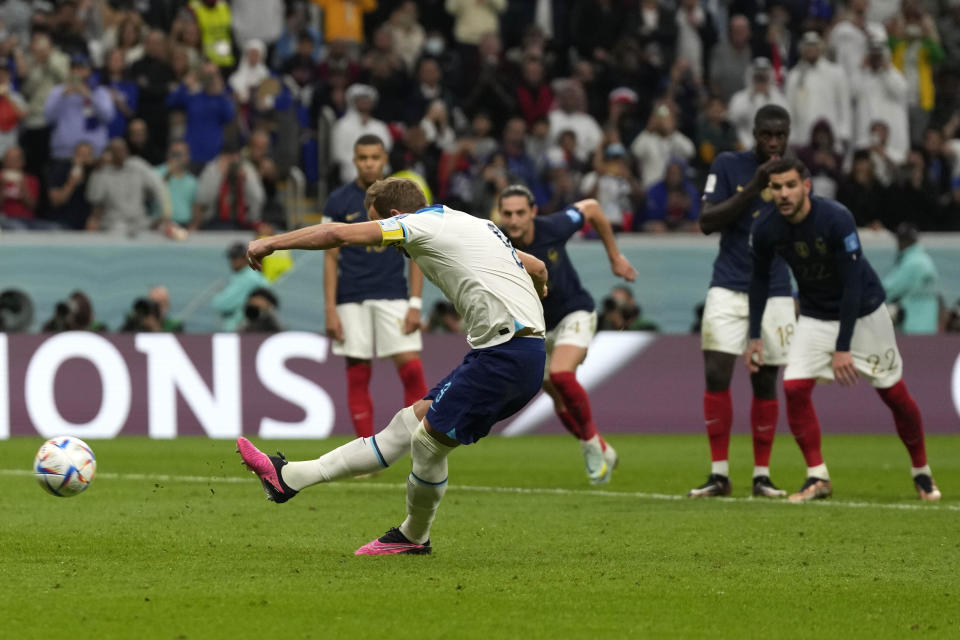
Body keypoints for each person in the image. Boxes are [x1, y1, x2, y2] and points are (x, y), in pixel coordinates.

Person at [237, 176, 548, 556]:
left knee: (428, 443)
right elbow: (536, 266)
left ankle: (413, 537)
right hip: (506, 351)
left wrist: (271, 242)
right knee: (407, 425)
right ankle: (289, 478)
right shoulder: (474, 222)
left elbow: (337, 235)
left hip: (507, 355)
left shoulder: (418, 225)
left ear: (396, 216)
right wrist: (538, 287)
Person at [746, 156, 940, 502]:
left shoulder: (836, 218)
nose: (784, 194)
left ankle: (921, 472)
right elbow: (759, 279)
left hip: (864, 313)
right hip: (816, 316)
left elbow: (852, 285)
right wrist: (754, 335)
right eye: (776, 188)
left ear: (806, 186)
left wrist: (843, 347)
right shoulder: (766, 228)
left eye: (790, 185)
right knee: (793, 387)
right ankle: (817, 476)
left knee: (894, 395)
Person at [690, 104, 796, 499]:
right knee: (717, 372)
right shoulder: (730, 164)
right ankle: (719, 474)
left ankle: (762, 476)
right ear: (753, 132)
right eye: (766, 134)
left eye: (780, 135)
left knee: (766, 378)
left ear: (788, 135)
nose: (773, 142)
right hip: (728, 284)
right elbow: (706, 221)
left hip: (776, 289)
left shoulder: (796, 174)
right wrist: (753, 186)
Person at [498, 184, 637, 483]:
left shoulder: (553, 227)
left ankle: (590, 446)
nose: (514, 220)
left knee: (561, 375)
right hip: (536, 327)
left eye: (520, 212)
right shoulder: (495, 241)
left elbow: (592, 208)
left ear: (533, 212)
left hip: (574, 311)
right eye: (508, 213)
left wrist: (614, 256)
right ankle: (601, 447)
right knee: (556, 396)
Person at [323, 134, 428, 438]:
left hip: (393, 293)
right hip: (350, 297)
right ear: (354, 161)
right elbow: (330, 258)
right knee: (357, 374)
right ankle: (364, 453)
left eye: (374, 157)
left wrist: (415, 303)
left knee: (411, 369)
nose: (369, 163)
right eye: (362, 158)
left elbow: (417, 252)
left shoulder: (403, 198)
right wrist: (330, 308)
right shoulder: (338, 200)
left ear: (384, 160)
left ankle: (419, 443)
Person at [881, 223, 940, 334]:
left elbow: (888, 290)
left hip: (912, 327)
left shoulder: (912, 263)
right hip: (928, 325)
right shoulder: (925, 259)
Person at [211, 242, 271, 330]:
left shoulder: (248, 278)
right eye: (231, 257)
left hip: (243, 329)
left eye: (235, 257)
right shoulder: (250, 275)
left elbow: (221, 304)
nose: (232, 261)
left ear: (246, 258)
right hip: (249, 329)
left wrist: (220, 295)